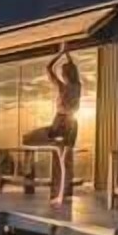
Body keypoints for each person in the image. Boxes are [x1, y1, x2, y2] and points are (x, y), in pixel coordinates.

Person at [21, 45, 82, 205]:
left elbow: (48, 68)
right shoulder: (78, 86)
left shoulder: (63, 87)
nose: (61, 75)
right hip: (73, 125)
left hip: (61, 124)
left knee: (28, 139)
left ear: (66, 74)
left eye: (63, 73)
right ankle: (60, 195)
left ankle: (56, 194)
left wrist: (60, 54)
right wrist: (67, 54)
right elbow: (73, 69)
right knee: (63, 162)